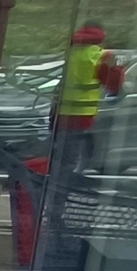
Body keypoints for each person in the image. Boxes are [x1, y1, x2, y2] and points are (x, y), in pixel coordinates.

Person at [51, 23, 124, 177]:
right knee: (73, 158)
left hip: (62, 113)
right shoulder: (102, 56)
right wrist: (117, 69)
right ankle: (63, 191)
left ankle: (55, 188)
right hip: (83, 114)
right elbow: (113, 85)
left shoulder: (71, 53)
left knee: (61, 156)